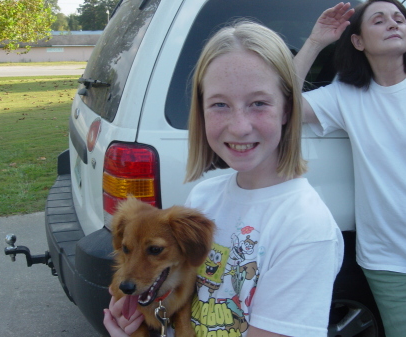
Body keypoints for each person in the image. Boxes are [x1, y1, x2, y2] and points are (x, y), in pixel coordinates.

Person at [104, 20, 344, 337]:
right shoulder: (205, 197)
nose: (239, 126)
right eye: (220, 104)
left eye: (258, 103)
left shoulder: (304, 227)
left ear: (287, 109)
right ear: (201, 111)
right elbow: (178, 299)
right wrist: (137, 315)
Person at [294, 1, 406, 336]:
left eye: (399, 19)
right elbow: (281, 104)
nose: (394, 24)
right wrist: (316, 41)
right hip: (389, 259)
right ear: (358, 41)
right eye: (379, 20)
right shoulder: (347, 96)